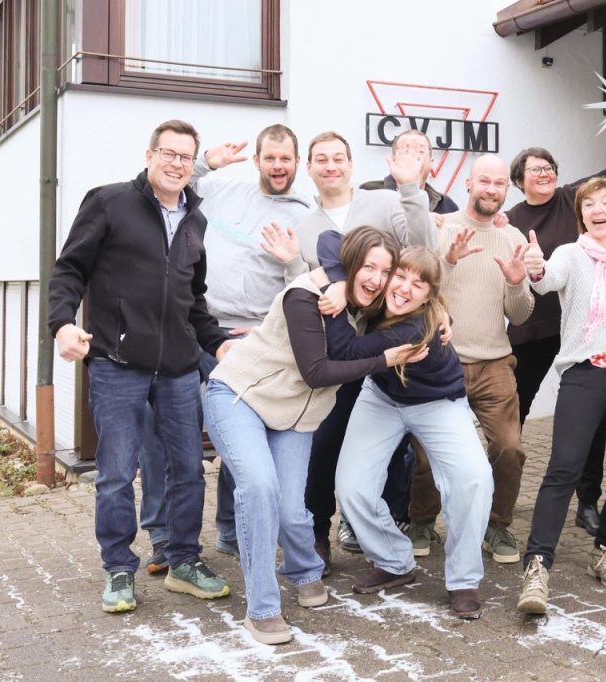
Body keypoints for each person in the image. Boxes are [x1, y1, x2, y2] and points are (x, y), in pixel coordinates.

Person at [204, 227, 426, 645]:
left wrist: (442, 320)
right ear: (350, 263)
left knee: (293, 510)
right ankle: (262, 610)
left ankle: (303, 570)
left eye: (385, 271)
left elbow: (421, 303)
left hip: (294, 416)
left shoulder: (368, 308)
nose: (377, 279)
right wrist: (383, 358)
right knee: (260, 489)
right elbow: (316, 372)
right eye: (368, 267)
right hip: (240, 398)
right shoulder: (305, 296)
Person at [48, 119, 233, 614]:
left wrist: (218, 344)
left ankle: (183, 561)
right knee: (115, 472)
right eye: (168, 153)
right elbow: (70, 269)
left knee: (189, 469)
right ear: (149, 155)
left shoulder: (195, 220)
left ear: (193, 165)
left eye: (185, 157)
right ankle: (118, 567)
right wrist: (61, 324)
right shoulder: (108, 202)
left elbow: (193, 299)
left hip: (178, 367)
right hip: (117, 362)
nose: (177, 164)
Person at [137, 124, 312, 573]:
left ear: (297, 163)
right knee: (163, 429)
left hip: (254, 340)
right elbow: (166, 185)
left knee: (241, 433)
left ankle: (232, 529)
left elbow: (307, 285)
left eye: (286, 159)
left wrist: (290, 265)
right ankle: (163, 535)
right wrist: (204, 162)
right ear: (257, 160)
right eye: (270, 158)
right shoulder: (221, 190)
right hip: (193, 327)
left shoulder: (305, 215)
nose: (277, 166)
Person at [506, 89, 606, 537]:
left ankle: (587, 501)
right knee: (513, 416)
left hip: (583, 329)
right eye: (535, 169)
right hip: (532, 329)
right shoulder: (511, 219)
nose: (545, 174)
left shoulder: (573, 197)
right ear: (519, 180)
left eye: (549, 168)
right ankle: (501, 496)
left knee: (589, 423)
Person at [323, 242, 494, 619]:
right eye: (399, 276)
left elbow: (347, 353)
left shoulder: (416, 328)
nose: (404, 288)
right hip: (382, 397)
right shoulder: (373, 295)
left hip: (438, 403)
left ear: (429, 296)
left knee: (474, 479)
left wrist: (334, 300)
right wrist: (337, 282)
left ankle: (464, 579)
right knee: (351, 486)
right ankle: (393, 561)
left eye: (418, 285)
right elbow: (329, 241)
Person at [516, 177, 606, 614]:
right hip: (585, 373)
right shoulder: (570, 254)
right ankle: (537, 567)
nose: (598, 210)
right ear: (581, 215)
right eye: (589, 204)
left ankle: (604, 550)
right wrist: (535, 268)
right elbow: (546, 281)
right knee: (564, 469)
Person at [297, 131, 433, 570]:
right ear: (309, 168)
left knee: (389, 450)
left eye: (339, 157)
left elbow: (423, 252)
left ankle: (382, 530)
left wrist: (410, 188)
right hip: (338, 354)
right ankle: (319, 530)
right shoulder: (307, 227)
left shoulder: (385, 202)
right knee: (324, 445)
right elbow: (306, 285)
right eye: (321, 159)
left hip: (386, 343)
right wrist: (335, 282)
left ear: (352, 164)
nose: (331, 165)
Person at [407, 155, 534, 564]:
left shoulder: (512, 237)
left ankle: (496, 527)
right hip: (442, 360)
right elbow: (419, 293)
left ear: (506, 189)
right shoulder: (441, 228)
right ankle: (421, 521)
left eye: (499, 183)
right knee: (427, 452)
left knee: (509, 449)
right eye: (484, 181)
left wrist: (517, 284)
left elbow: (520, 315)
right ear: (468, 183)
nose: (491, 189)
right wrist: (447, 261)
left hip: (495, 363)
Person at [361, 129, 459, 214]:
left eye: (420, 152)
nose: (412, 157)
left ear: (431, 163)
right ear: (393, 160)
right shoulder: (369, 193)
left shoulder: (446, 205)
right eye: (406, 151)